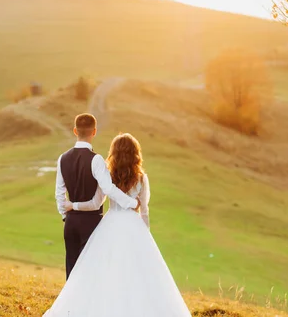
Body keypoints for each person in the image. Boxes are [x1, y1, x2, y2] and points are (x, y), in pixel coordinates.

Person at [44, 133, 191, 317]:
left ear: (114, 153)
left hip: (110, 224)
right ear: (135, 153)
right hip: (134, 226)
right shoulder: (141, 178)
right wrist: (145, 234)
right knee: (139, 272)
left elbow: (96, 203)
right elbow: (144, 210)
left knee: (105, 268)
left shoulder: (107, 176)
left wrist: (73, 205)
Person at [55, 113, 140, 279]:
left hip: (70, 222)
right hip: (91, 223)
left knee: (71, 269)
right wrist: (131, 203)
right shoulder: (96, 160)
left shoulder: (62, 158)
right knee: (90, 270)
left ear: (75, 131)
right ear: (94, 132)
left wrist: (66, 216)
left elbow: (59, 193)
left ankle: (71, 305)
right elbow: (108, 189)